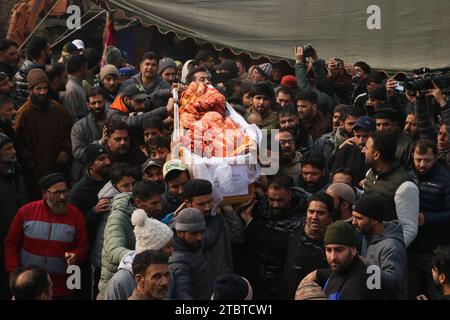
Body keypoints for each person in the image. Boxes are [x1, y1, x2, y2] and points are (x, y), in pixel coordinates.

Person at [4, 173, 88, 299]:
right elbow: (11, 243)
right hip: (30, 287)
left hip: (64, 287)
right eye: (57, 193)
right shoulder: (25, 212)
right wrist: (13, 272)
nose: (62, 197)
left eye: (65, 191)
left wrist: (76, 255)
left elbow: (84, 246)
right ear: (44, 193)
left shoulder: (76, 216)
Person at [239, 175, 307, 299]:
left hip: (283, 285)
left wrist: (249, 221)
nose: (275, 204)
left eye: (280, 200)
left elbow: (277, 246)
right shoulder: (260, 207)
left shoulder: (302, 216)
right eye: (271, 199)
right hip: (258, 281)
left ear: (290, 195)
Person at [98, 179, 164, 295]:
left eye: (160, 202)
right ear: (138, 202)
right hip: (115, 287)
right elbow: (114, 250)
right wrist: (142, 257)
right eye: (154, 203)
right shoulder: (117, 217)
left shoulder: (151, 215)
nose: (159, 207)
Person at [14, 68, 72, 200]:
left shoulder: (57, 108)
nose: (43, 92)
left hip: (57, 168)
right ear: (31, 89)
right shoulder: (23, 114)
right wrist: (29, 161)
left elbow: (69, 129)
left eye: (45, 88)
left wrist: (65, 149)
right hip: (36, 172)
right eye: (38, 88)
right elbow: (17, 142)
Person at [407, 139, 450, 300]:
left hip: (434, 251)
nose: (422, 164)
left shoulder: (445, 179)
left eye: (427, 160)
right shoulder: (409, 175)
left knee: (436, 294)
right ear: (412, 156)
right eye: (418, 159)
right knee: (409, 292)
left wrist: (428, 218)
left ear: (436, 157)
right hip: (411, 248)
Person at [89, 163, 139, 298]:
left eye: (133, 184)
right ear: (115, 186)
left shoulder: (128, 202)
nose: (131, 189)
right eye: (125, 185)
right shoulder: (111, 203)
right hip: (104, 261)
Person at [363, 130, 419, 247]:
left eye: (367, 148)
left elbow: (409, 228)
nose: (363, 150)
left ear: (376, 155)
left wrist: (390, 250)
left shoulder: (405, 187)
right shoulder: (370, 174)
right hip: (368, 241)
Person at [104, 209, 174, 300]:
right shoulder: (120, 281)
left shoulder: (168, 272)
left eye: (166, 275)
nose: (172, 250)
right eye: (168, 246)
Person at [302, 221, 376, 300]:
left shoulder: (355, 289)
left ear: (353, 250)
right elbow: (322, 273)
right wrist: (304, 283)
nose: (333, 257)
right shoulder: (341, 267)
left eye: (339, 250)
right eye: (329, 250)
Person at [352, 194, 407, 299]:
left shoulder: (391, 247)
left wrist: (363, 264)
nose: (354, 222)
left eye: (359, 218)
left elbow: (394, 283)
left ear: (374, 220)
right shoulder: (367, 237)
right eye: (353, 217)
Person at [280, 192, 333, 299]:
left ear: (330, 215)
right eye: (311, 211)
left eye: (320, 213)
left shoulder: (335, 241)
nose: (314, 217)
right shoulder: (293, 232)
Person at [0, 133, 27, 299]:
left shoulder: (15, 171)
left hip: (16, 235)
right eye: (8, 148)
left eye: (13, 147)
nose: (14, 151)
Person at [169, 208, 212, 299]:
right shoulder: (178, 260)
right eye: (194, 233)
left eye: (202, 232)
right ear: (180, 233)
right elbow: (182, 294)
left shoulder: (193, 245)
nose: (199, 237)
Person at [70, 87, 107, 182]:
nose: (97, 106)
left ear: (105, 101)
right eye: (93, 103)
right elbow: (78, 153)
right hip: (87, 175)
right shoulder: (79, 127)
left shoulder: (113, 121)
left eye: (100, 102)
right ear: (88, 105)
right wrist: (99, 144)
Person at [108, 83, 173, 132]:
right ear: (127, 100)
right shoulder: (113, 115)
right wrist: (165, 109)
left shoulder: (137, 103)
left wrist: (171, 91)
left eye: (143, 101)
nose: (143, 105)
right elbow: (133, 122)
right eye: (139, 101)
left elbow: (153, 96)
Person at [332, 115, 375, 185]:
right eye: (358, 136)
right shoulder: (347, 149)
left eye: (365, 136)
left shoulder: (379, 154)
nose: (361, 141)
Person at [14, 36, 52, 106]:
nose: (51, 52)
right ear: (42, 53)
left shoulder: (21, 72)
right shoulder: (40, 74)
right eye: (49, 50)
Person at [62, 54, 88, 121]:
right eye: (86, 67)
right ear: (82, 68)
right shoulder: (71, 89)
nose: (87, 70)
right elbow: (71, 117)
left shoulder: (77, 84)